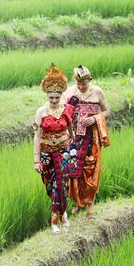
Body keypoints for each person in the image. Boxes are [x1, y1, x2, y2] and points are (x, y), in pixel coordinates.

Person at [63, 65, 111, 218]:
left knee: (91, 168)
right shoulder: (69, 92)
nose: (81, 87)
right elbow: (63, 112)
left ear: (89, 81)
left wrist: (95, 118)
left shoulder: (97, 92)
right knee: (74, 170)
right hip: (74, 136)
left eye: (84, 84)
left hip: (91, 137)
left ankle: (90, 205)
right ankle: (78, 203)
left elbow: (106, 111)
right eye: (79, 84)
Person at [33, 64, 75, 234]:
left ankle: (55, 219)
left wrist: (71, 144)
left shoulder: (67, 110)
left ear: (61, 95)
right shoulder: (40, 112)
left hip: (63, 152)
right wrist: (36, 159)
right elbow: (37, 136)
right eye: (51, 98)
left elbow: (70, 129)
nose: (54, 101)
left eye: (57, 98)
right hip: (46, 154)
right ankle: (63, 211)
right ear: (47, 95)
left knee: (61, 184)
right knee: (51, 186)